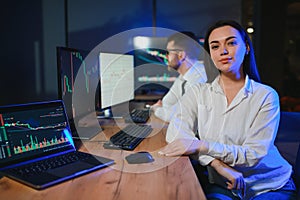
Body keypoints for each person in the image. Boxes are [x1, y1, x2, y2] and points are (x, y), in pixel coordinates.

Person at [158, 20, 297, 199]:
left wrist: (202, 145)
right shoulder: (198, 92)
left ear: (246, 47)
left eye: (231, 43)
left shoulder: (266, 96)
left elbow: (253, 155)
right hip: (224, 184)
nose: (223, 51)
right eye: (215, 46)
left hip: (269, 185)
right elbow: (176, 133)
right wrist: (216, 164)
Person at [150, 31, 209, 122]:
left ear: (181, 55)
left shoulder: (199, 78)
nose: (166, 57)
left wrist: (156, 109)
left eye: (168, 52)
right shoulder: (183, 77)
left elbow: (178, 116)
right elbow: (166, 103)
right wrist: (164, 110)